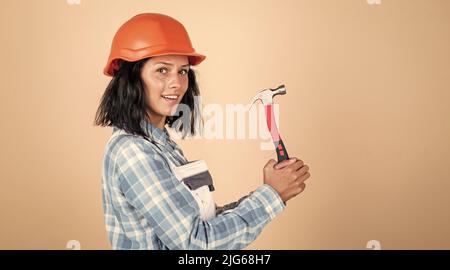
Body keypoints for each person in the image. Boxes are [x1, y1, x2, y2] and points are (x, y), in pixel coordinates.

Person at [95, 13, 311, 250]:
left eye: (183, 71)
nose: (177, 83)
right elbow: (197, 243)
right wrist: (272, 195)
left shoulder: (160, 145)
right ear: (132, 78)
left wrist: (271, 191)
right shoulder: (133, 151)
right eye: (162, 70)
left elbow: (200, 222)